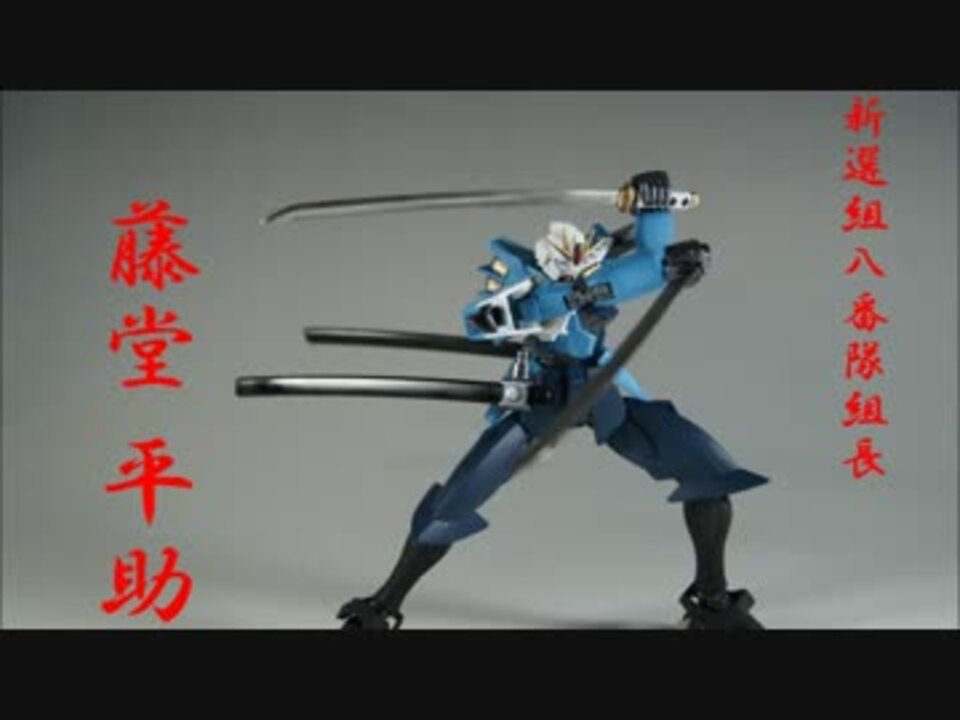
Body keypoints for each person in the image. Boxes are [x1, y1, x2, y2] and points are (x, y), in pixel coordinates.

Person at [337, 171, 769, 630]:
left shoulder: (596, 279)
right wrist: (571, 297)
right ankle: (382, 606)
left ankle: (712, 600)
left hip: (602, 393)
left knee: (707, 469)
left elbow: (650, 265)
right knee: (453, 504)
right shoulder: (526, 290)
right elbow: (480, 322)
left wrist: (657, 215)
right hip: (541, 400)